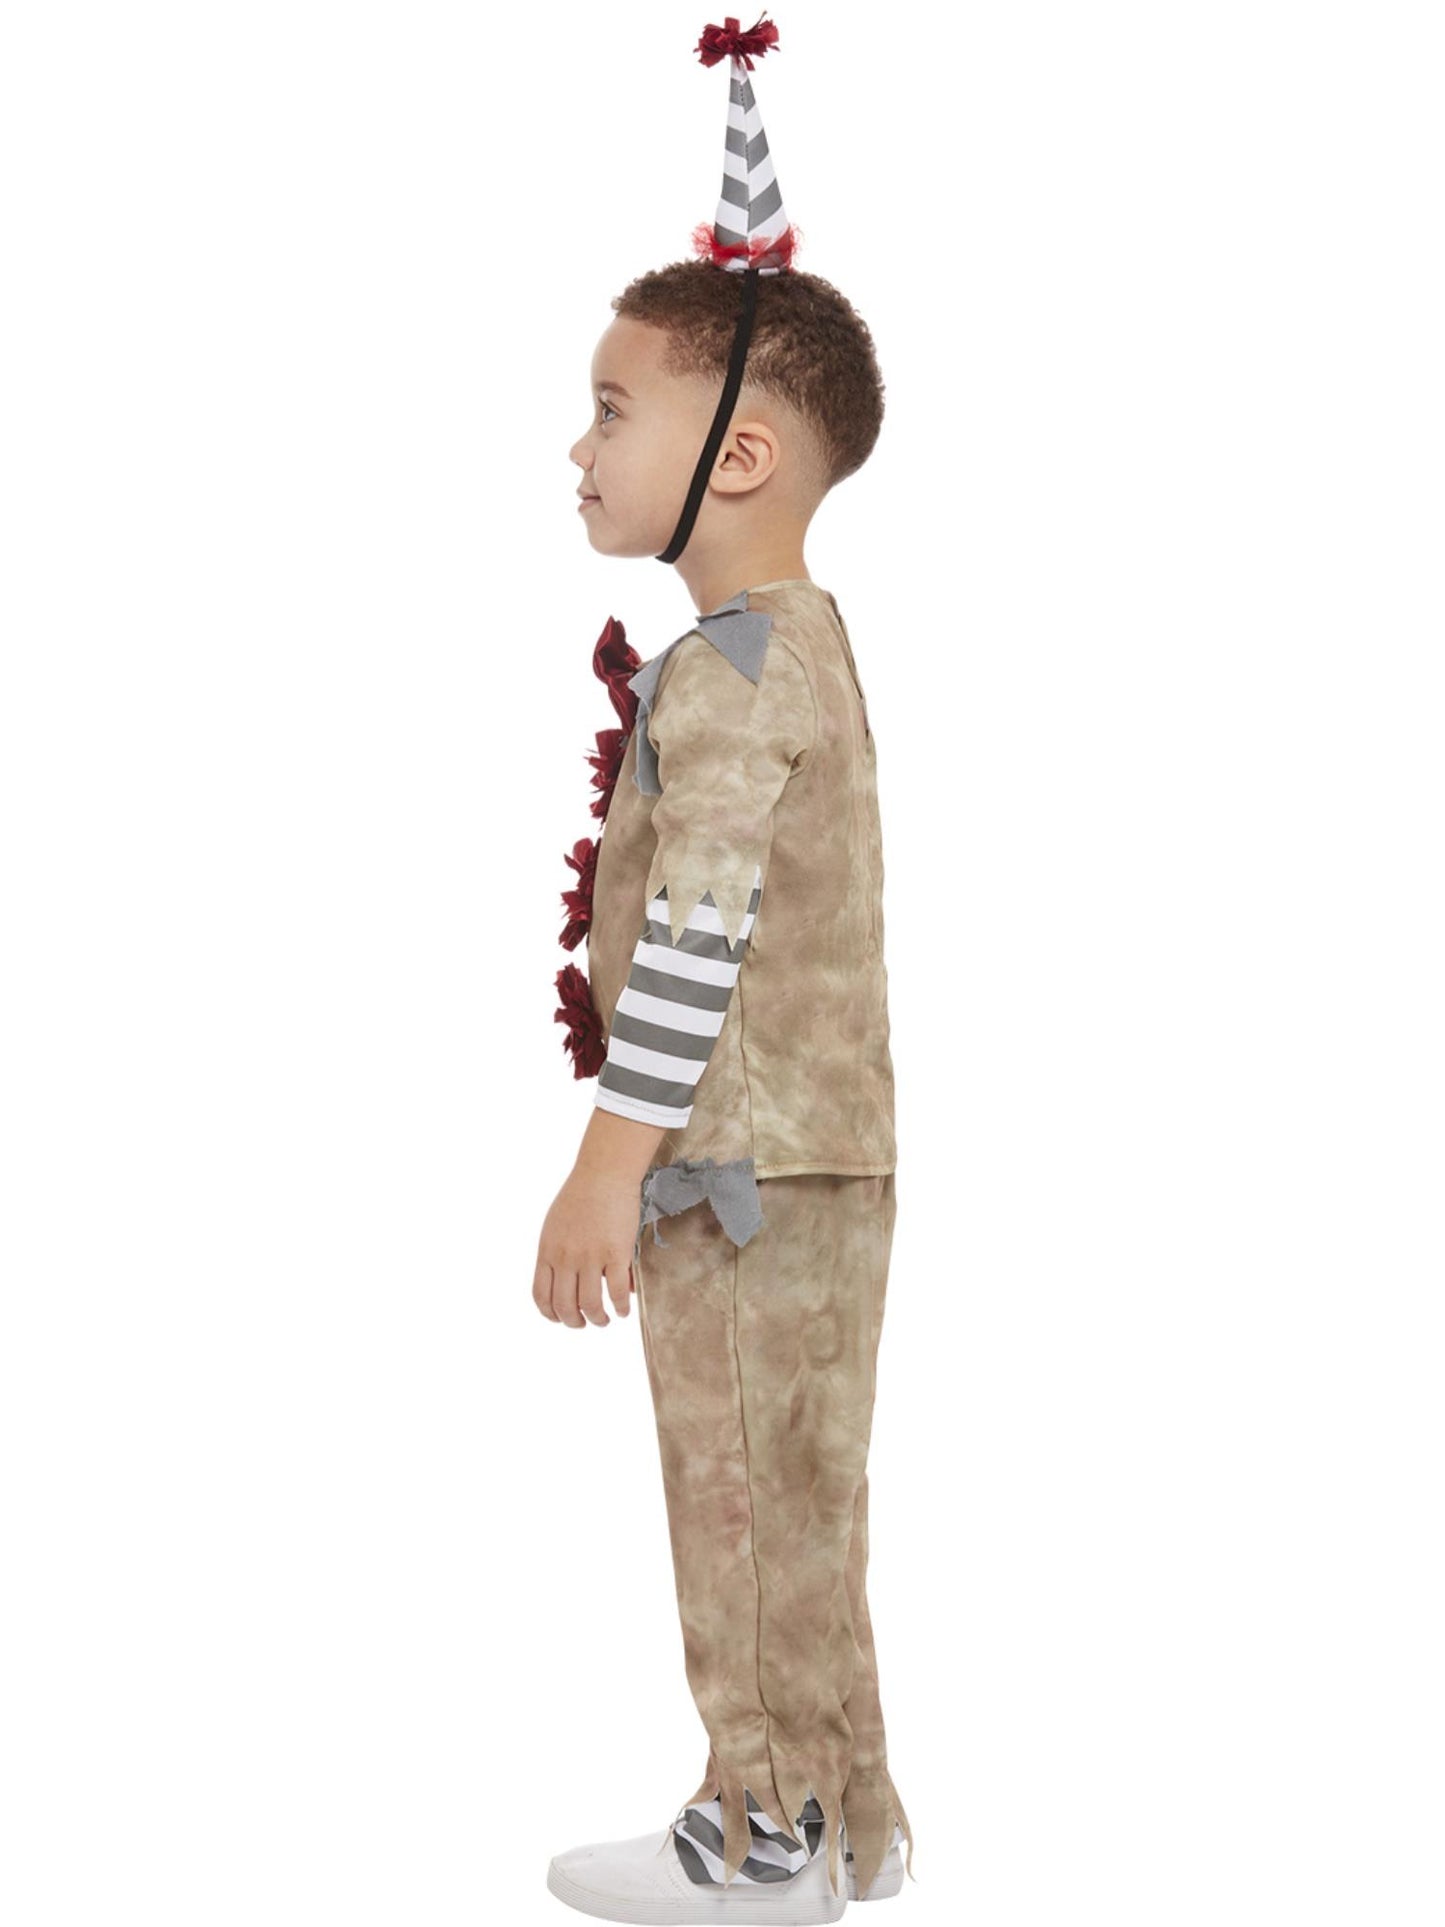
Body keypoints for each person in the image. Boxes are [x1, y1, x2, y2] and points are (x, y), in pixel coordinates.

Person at [536, 16, 915, 1922]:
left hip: (734, 1165)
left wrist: (609, 1160)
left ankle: (764, 1836)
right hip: (805, 1155)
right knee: (803, 1490)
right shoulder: (793, 645)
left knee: (743, 1496)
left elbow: (699, 925)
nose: (577, 443)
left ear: (738, 452)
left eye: (613, 408)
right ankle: (845, 1818)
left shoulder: (739, 667)